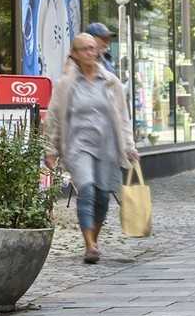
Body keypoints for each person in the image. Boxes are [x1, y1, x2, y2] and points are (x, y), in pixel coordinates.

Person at [44, 34, 139, 263]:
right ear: (75, 54)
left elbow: (123, 118)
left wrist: (129, 146)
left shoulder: (110, 82)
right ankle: (89, 245)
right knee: (86, 190)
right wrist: (50, 149)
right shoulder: (66, 85)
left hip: (107, 146)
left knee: (103, 197)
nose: (89, 52)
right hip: (77, 146)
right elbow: (54, 117)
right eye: (84, 49)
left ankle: (93, 239)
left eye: (92, 48)